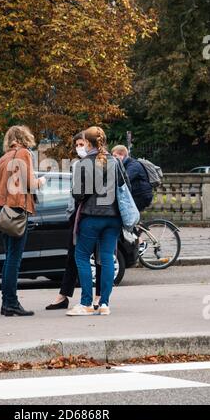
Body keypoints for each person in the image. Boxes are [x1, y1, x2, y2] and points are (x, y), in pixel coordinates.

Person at [67, 126, 126, 316]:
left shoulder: (84, 163)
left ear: (89, 143)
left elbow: (77, 194)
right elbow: (124, 187)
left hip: (91, 217)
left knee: (82, 256)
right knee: (107, 257)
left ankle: (86, 303)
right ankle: (104, 303)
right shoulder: (115, 161)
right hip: (114, 217)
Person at [0, 125, 46, 317]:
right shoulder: (24, 153)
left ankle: (6, 303)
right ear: (24, 137)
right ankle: (11, 303)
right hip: (16, 209)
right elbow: (29, 183)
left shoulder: (3, 158)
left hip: (3, 209)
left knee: (9, 257)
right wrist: (40, 182)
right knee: (14, 259)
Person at [45, 132, 102, 310]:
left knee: (100, 257)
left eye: (82, 143)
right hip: (78, 214)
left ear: (90, 144)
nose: (79, 147)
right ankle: (64, 295)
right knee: (73, 256)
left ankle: (98, 297)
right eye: (77, 144)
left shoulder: (101, 162)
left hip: (96, 214)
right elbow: (73, 192)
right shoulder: (77, 164)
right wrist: (71, 212)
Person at [111, 145, 153, 211]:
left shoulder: (133, 165)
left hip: (141, 196)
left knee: (124, 213)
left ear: (122, 155)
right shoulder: (124, 165)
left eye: (115, 156)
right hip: (135, 195)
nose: (113, 158)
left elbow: (123, 179)